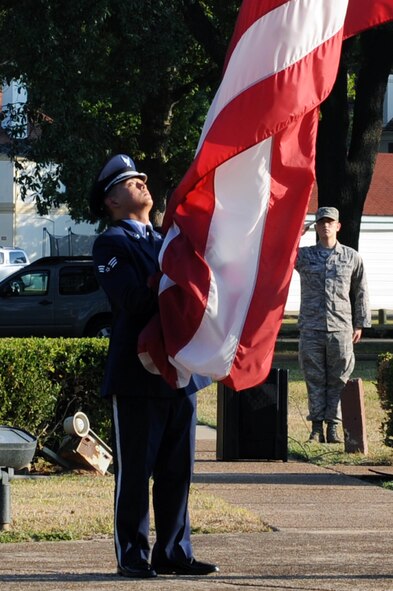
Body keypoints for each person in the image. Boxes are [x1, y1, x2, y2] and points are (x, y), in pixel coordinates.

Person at [89, 154, 219, 579]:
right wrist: (173, 282)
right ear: (111, 201)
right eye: (129, 180)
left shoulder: (168, 239)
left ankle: (173, 551)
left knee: (177, 469)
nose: (142, 182)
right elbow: (134, 300)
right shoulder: (111, 243)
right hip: (137, 373)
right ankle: (133, 553)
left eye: (142, 177)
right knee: (136, 471)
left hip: (180, 371)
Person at [295, 206, 371, 444]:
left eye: (330, 222)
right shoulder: (304, 256)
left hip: (341, 328)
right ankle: (316, 428)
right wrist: (298, 233)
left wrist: (360, 323)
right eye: (321, 222)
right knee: (314, 377)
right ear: (316, 227)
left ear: (338, 226)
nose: (325, 226)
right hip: (311, 328)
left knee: (339, 379)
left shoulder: (351, 257)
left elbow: (360, 291)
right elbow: (278, 254)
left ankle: (334, 429)